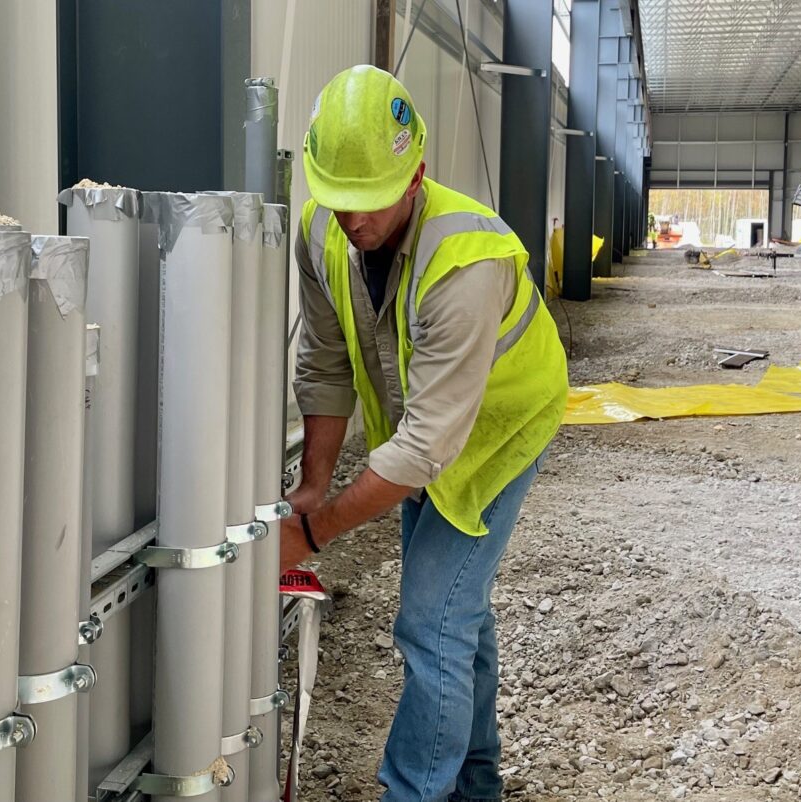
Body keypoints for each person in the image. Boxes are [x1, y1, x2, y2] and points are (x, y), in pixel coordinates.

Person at [279, 65, 568, 802]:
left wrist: (314, 536)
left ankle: (414, 793)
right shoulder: (319, 227)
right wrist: (314, 487)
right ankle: (478, 787)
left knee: (431, 622)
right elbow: (324, 358)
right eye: (338, 197)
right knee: (454, 615)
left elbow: (426, 448)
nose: (353, 220)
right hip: (428, 428)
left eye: (370, 202)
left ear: (417, 176)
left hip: (500, 427)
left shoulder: (467, 260)